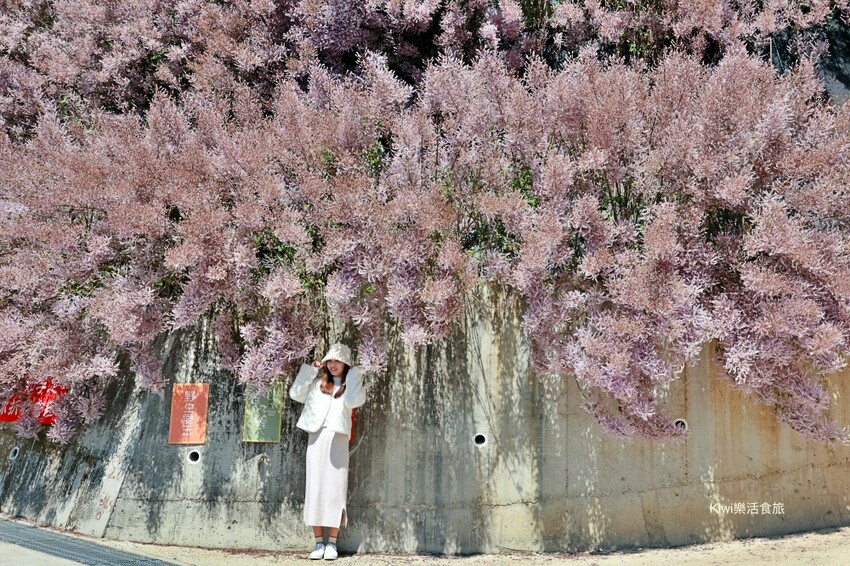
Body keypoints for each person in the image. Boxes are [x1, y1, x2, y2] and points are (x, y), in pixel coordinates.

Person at [289, 342, 366, 561]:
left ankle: (331, 542)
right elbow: (295, 394)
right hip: (316, 438)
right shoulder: (318, 383)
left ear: (346, 363)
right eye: (329, 361)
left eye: (338, 361)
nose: (333, 365)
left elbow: (353, 401)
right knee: (315, 488)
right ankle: (317, 542)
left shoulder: (351, 386)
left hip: (338, 439)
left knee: (335, 490)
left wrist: (355, 376)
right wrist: (309, 372)